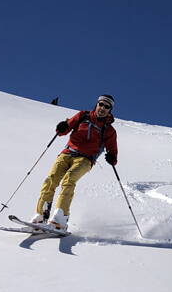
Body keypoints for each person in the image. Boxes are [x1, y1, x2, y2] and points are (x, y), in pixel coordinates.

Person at [31, 95, 118, 231]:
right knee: (51, 180)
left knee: (69, 180)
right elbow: (64, 130)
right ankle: (40, 216)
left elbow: (113, 150)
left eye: (107, 107)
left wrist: (112, 157)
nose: (103, 108)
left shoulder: (109, 130)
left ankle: (60, 219)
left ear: (110, 110)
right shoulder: (83, 116)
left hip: (85, 159)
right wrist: (62, 126)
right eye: (101, 104)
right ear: (97, 104)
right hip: (67, 153)